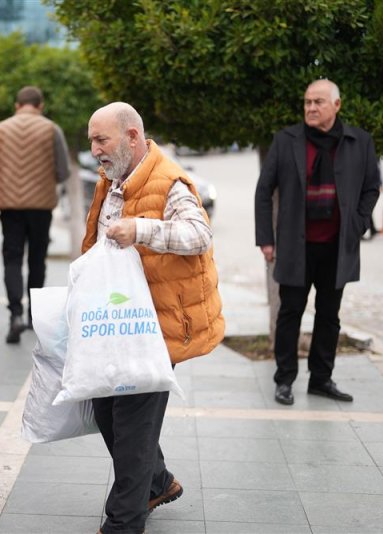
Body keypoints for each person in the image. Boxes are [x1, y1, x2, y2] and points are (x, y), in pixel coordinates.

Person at [83, 102, 224, 534]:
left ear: (132, 136)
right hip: (118, 319)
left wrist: (141, 229)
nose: (94, 150)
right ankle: (157, 482)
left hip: (157, 327)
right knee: (106, 412)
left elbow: (199, 235)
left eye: (101, 139)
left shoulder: (172, 181)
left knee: (133, 422)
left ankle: (124, 521)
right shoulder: (112, 179)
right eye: (91, 141)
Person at [255, 79, 380, 406]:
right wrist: (266, 240)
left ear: (336, 105)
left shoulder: (359, 142)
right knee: (290, 313)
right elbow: (263, 190)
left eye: (319, 102)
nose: (311, 107)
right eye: (308, 102)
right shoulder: (286, 141)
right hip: (296, 246)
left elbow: (372, 187)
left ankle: (321, 379)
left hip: (338, 246)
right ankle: (284, 380)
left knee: (329, 315)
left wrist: (359, 223)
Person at [0, 86, 70, 343]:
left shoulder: (0, 129)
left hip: (10, 207)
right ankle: (34, 315)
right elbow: (63, 171)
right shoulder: (52, 129)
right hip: (41, 207)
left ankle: (15, 315)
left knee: (12, 258)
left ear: (17, 105)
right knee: (37, 259)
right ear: (40, 106)